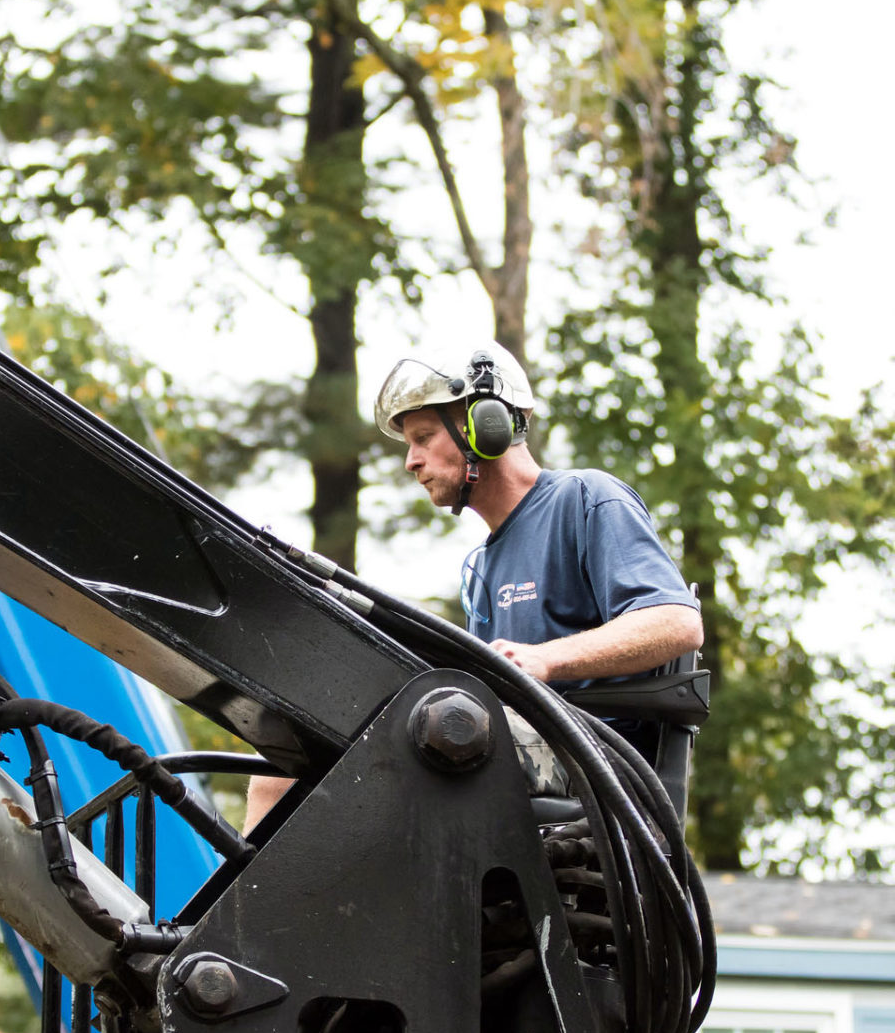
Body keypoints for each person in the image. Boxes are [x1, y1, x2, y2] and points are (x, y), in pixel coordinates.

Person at [243, 340, 702, 832]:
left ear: (486, 427)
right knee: (288, 755)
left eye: (422, 438)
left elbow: (677, 622)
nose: (410, 462)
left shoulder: (585, 499)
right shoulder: (480, 565)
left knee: (393, 744)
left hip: (588, 757)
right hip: (508, 741)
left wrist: (547, 659)